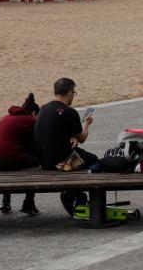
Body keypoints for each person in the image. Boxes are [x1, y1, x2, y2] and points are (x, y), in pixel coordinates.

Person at [34, 78, 97, 216]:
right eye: (73, 92)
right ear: (68, 92)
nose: (74, 95)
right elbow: (82, 138)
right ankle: (78, 198)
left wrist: (70, 136)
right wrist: (87, 123)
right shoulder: (69, 112)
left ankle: (73, 194)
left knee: (83, 157)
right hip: (62, 163)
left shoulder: (43, 109)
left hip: (43, 162)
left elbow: (53, 130)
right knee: (96, 161)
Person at [0, 93, 40, 216]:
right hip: (3, 159)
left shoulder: (7, 117)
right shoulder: (30, 120)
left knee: (9, 168)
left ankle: (5, 203)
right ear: (34, 113)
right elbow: (34, 147)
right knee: (36, 163)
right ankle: (28, 203)